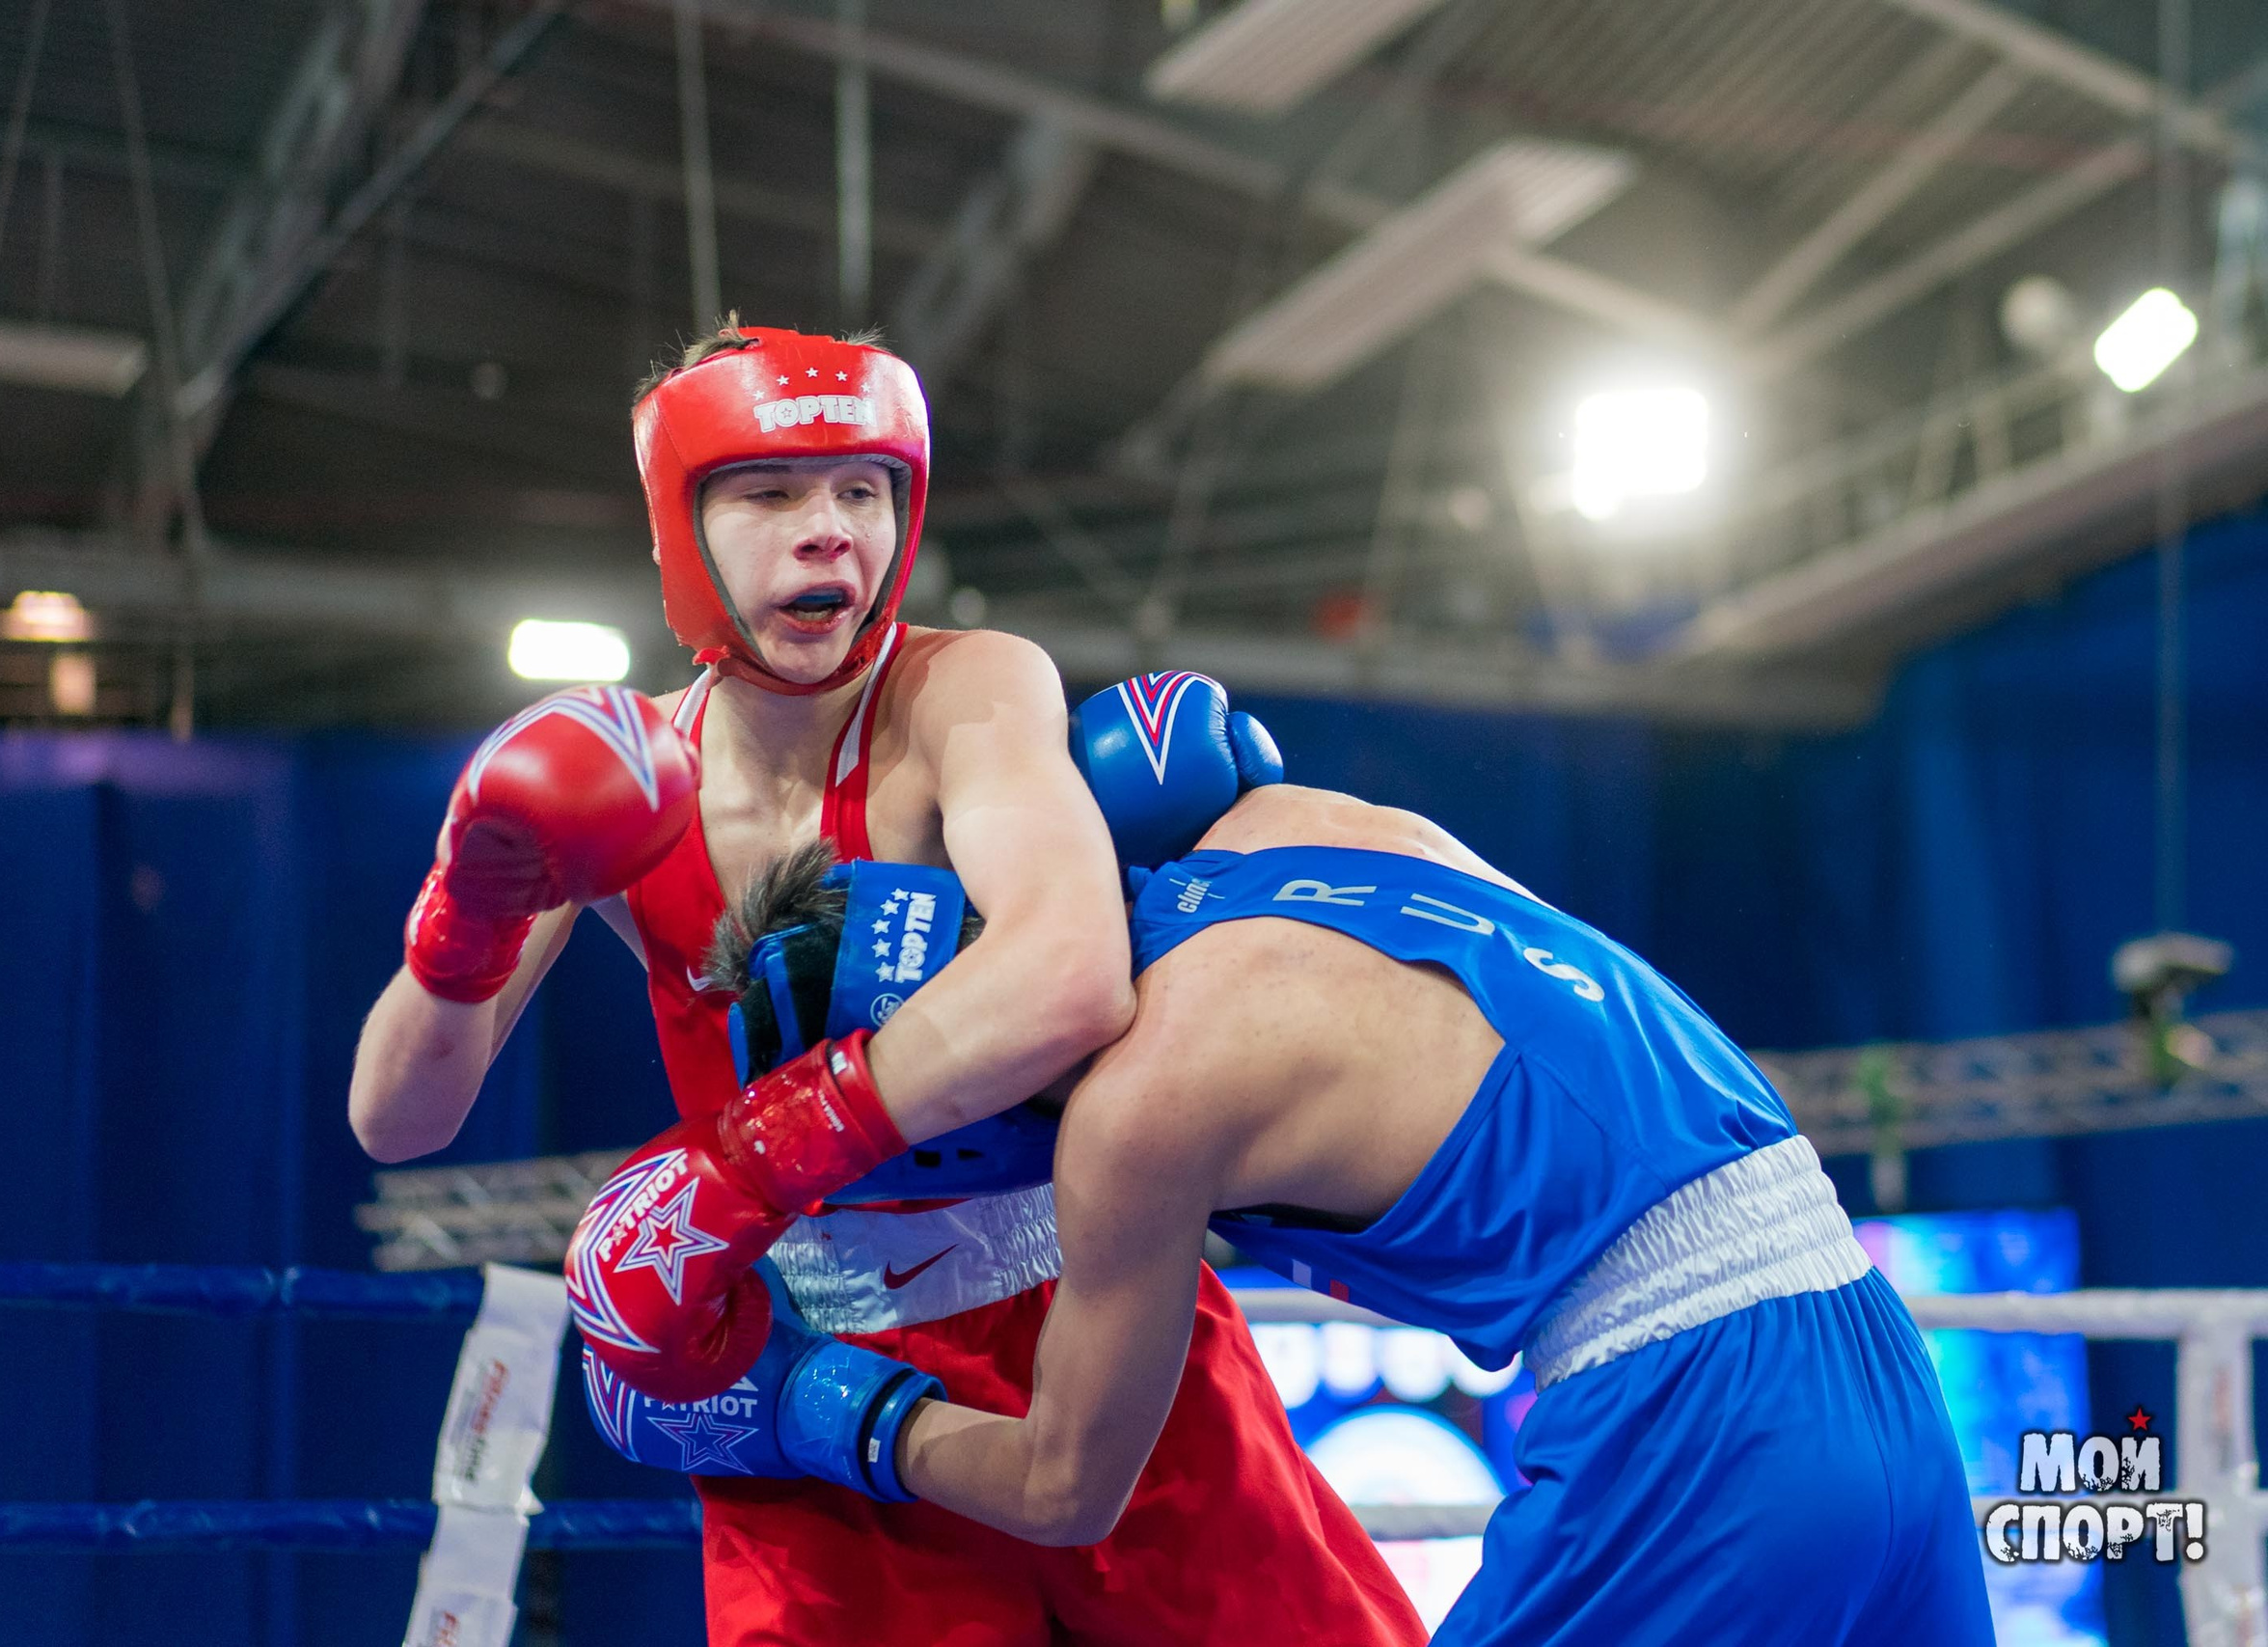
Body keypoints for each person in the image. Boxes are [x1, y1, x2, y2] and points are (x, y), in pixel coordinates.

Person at [354, 321, 1424, 1645]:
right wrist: (471, 905)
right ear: (675, 527)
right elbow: (400, 1121)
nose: (829, 532)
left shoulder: (962, 694)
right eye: (771, 493)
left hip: (1083, 1309)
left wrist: (741, 1163)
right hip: (807, 1374)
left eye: (863, 489)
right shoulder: (621, 778)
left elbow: (1071, 973)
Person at [635, 689, 1999, 1647]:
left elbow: (1067, 1491)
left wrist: (816, 1405)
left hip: (1697, 1426)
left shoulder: (1139, 1109)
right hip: (1872, 1352)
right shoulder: (1285, 824)